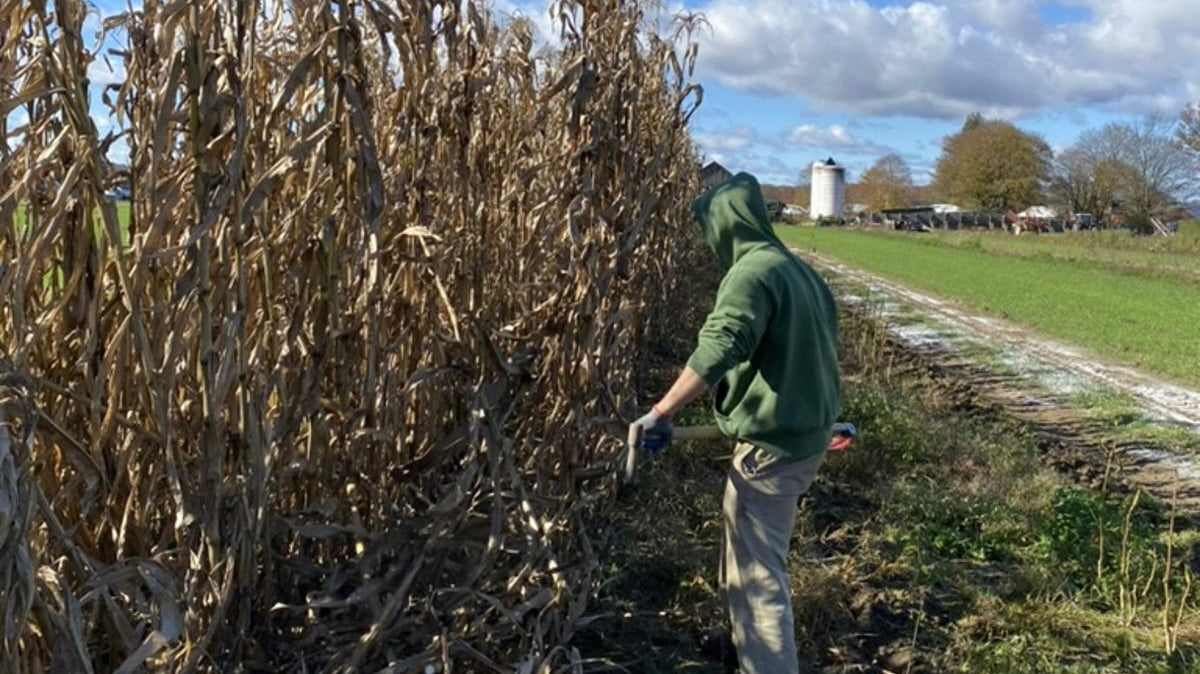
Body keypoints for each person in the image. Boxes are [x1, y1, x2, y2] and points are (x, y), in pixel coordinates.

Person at [630, 172, 840, 673]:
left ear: (724, 227)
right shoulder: (797, 271)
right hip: (801, 438)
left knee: (758, 578)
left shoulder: (752, 273)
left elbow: (721, 345)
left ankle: (766, 663)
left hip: (771, 451)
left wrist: (661, 412)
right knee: (740, 549)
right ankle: (739, 645)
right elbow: (821, 353)